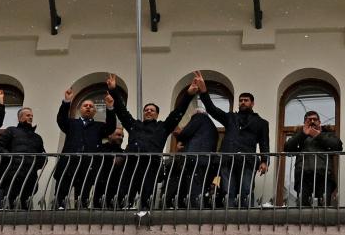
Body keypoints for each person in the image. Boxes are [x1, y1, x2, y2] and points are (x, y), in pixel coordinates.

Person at [107, 72, 197, 208]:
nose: (148, 111)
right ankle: (122, 215)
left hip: (151, 164)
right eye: (146, 110)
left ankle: (144, 215)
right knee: (124, 194)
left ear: (157, 114)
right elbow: (122, 111)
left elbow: (177, 113)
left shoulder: (163, 127)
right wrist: (113, 90)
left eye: (152, 110)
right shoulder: (134, 125)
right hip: (131, 163)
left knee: (146, 195)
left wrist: (189, 95)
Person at [193, 72, 270, 208]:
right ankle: (229, 216)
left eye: (246, 100)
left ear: (252, 103)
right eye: (240, 100)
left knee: (246, 189)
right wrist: (204, 91)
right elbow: (212, 109)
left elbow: (264, 142)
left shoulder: (261, 122)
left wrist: (264, 161)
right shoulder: (230, 118)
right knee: (228, 190)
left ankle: (246, 216)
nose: (242, 102)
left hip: (248, 160)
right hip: (227, 159)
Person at [54, 88, 116, 209]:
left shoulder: (99, 126)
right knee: (62, 191)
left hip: (88, 165)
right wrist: (66, 102)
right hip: (69, 163)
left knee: (83, 196)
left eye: (91, 106)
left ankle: (80, 211)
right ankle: (59, 210)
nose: (88, 107)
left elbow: (111, 127)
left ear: (95, 111)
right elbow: (61, 119)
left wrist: (109, 107)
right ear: (80, 109)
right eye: (85, 105)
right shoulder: (71, 123)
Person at [283, 111, 343, 207]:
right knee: (302, 207)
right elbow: (287, 148)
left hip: (324, 175)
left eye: (315, 119)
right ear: (304, 123)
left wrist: (318, 135)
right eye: (309, 120)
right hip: (303, 175)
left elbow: (338, 146)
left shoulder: (327, 134)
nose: (312, 121)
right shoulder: (299, 135)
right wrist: (302, 134)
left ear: (319, 122)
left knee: (324, 207)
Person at [0, 106, 46, 210]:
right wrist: (11, 157)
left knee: (24, 207)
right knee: (9, 205)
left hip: (29, 177)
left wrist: (37, 163)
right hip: (11, 174)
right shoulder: (11, 131)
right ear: (20, 118)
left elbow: (42, 155)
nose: (31, 118)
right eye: (28, 115)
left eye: (32, 116)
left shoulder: (37, 137)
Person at [169, 108, 217, 208]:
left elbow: (185, 133)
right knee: (199, 185)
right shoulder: (212, 127)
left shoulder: (199, 117)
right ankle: (198, 207)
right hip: (206, 160)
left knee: (193, 186)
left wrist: (179, 134)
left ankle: (195, 210)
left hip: (194, 158)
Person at [92, 127, 127, 208]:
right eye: (118, 135)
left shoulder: (123, 152)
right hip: (101, 186)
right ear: (110, 135)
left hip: (116, 188)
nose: (121, 138)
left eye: (122, 136)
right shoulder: (101, 148)